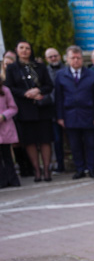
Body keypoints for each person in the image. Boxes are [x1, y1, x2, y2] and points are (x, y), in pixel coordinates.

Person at [5, 40, 54, 182]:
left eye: (27, 48)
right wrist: (25, 93)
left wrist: (38, 90)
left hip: (42, 108)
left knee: (45, 140)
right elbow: (10, 87)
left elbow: (49, 85)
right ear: (16, 50)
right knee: (30, 141)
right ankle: (37, 170)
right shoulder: (12, 68)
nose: (25, 51)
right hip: (25, 110)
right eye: (22, 48)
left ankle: (46, 170)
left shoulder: (39, 66)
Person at [54, 45, 94, 179]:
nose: (76, 60)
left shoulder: (92, 74)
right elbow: (58, 98)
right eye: (73, 58)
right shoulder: (60, 75)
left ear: (82, 59)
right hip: (70, 115)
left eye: (78, 58)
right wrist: (60, 117)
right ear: (67, 59)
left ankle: (92, 169)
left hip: (89, 114)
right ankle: (80, 169)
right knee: (75, 145)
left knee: (91, 144)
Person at [44, 47, 66, 173]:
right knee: (57, 140)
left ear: (59, 56)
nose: (53, 58)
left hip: (68, 109)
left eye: (55, 56)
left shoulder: (67, 69)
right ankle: (60, 165)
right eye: (50, 57)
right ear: (47, 59)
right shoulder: (45, 72)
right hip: (53, 111)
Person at [0, 75, 21, 188]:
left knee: (7, 155)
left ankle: (12, 179)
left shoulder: (4, 90)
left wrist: (4, 116)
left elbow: (13, 108)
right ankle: (2, 181)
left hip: (5, 128)